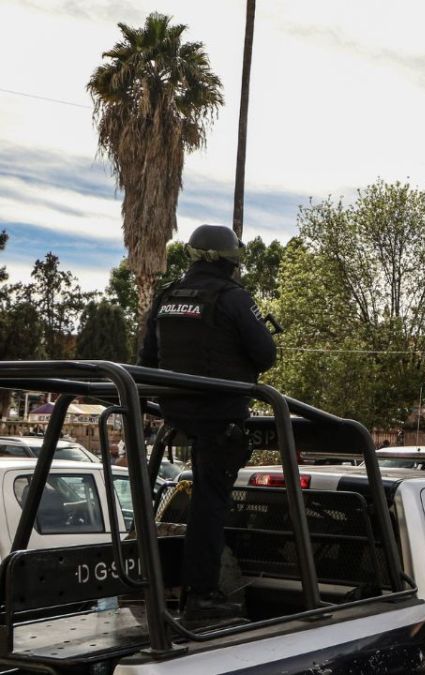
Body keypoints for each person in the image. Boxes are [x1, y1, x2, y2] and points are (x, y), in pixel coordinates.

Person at [139, 224, 277, 622]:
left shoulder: (167, 297)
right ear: (229, 261)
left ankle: (162, 579)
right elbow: (265, 355)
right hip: (220, 417)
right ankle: (201, 594)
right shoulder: (234, 298)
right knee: (210, 502)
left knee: (197, 496)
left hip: (176, 414)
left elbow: (147, 361)